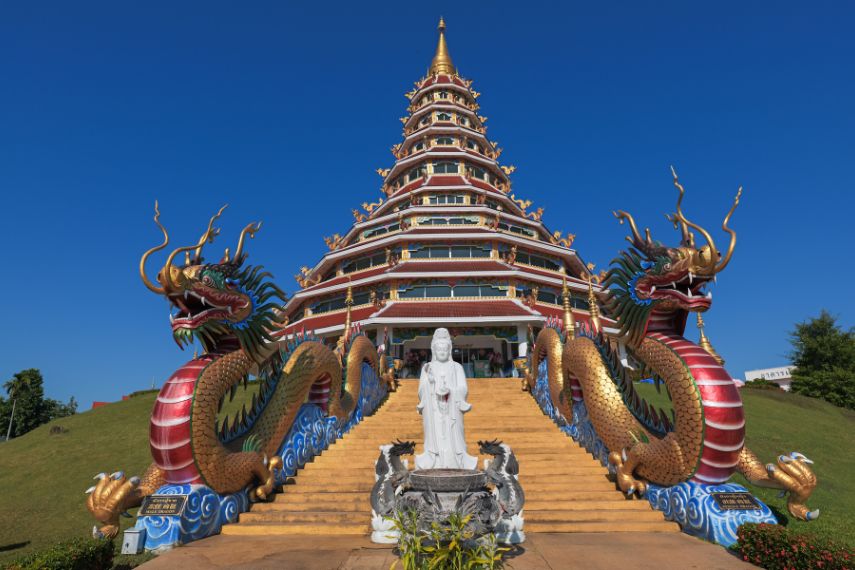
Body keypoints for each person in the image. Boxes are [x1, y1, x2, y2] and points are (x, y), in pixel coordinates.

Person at [415, 328, 477, 470]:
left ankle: (456, 461)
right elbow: (421, 391)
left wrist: (451, 392)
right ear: (434, 351)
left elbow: (463, 388)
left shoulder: (457, 367)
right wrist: (430, 383)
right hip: (434, 409)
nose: (442, 352)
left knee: (453, 436)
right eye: (439, 349)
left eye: (445, 349)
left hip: (452, 409)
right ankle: (433, 459)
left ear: (449, 350)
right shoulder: (427, 367)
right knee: (435, 436)